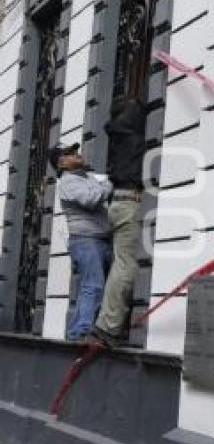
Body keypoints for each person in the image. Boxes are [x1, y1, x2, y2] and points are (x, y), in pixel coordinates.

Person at [92, 97, 147, 347]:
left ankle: (106, 323)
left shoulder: (118, 135)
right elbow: (139, 108)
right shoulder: (132, 135)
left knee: (117, 264)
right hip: (129, 203)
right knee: (125, 266)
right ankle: (108, 327)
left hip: (117, 203)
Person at [50, 143, 113, 341]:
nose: (77, 154)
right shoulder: (68, 182)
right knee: (93, 285)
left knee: (99, 286)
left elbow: (100, 189)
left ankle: (84, 331)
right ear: (61, 163)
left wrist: (104, 183)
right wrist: (109, 183)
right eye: (70, 153)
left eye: (75, 151)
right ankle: (80, 332)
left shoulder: (87, 177)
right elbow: (91, 199)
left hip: (100, 239)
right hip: (86, 241)